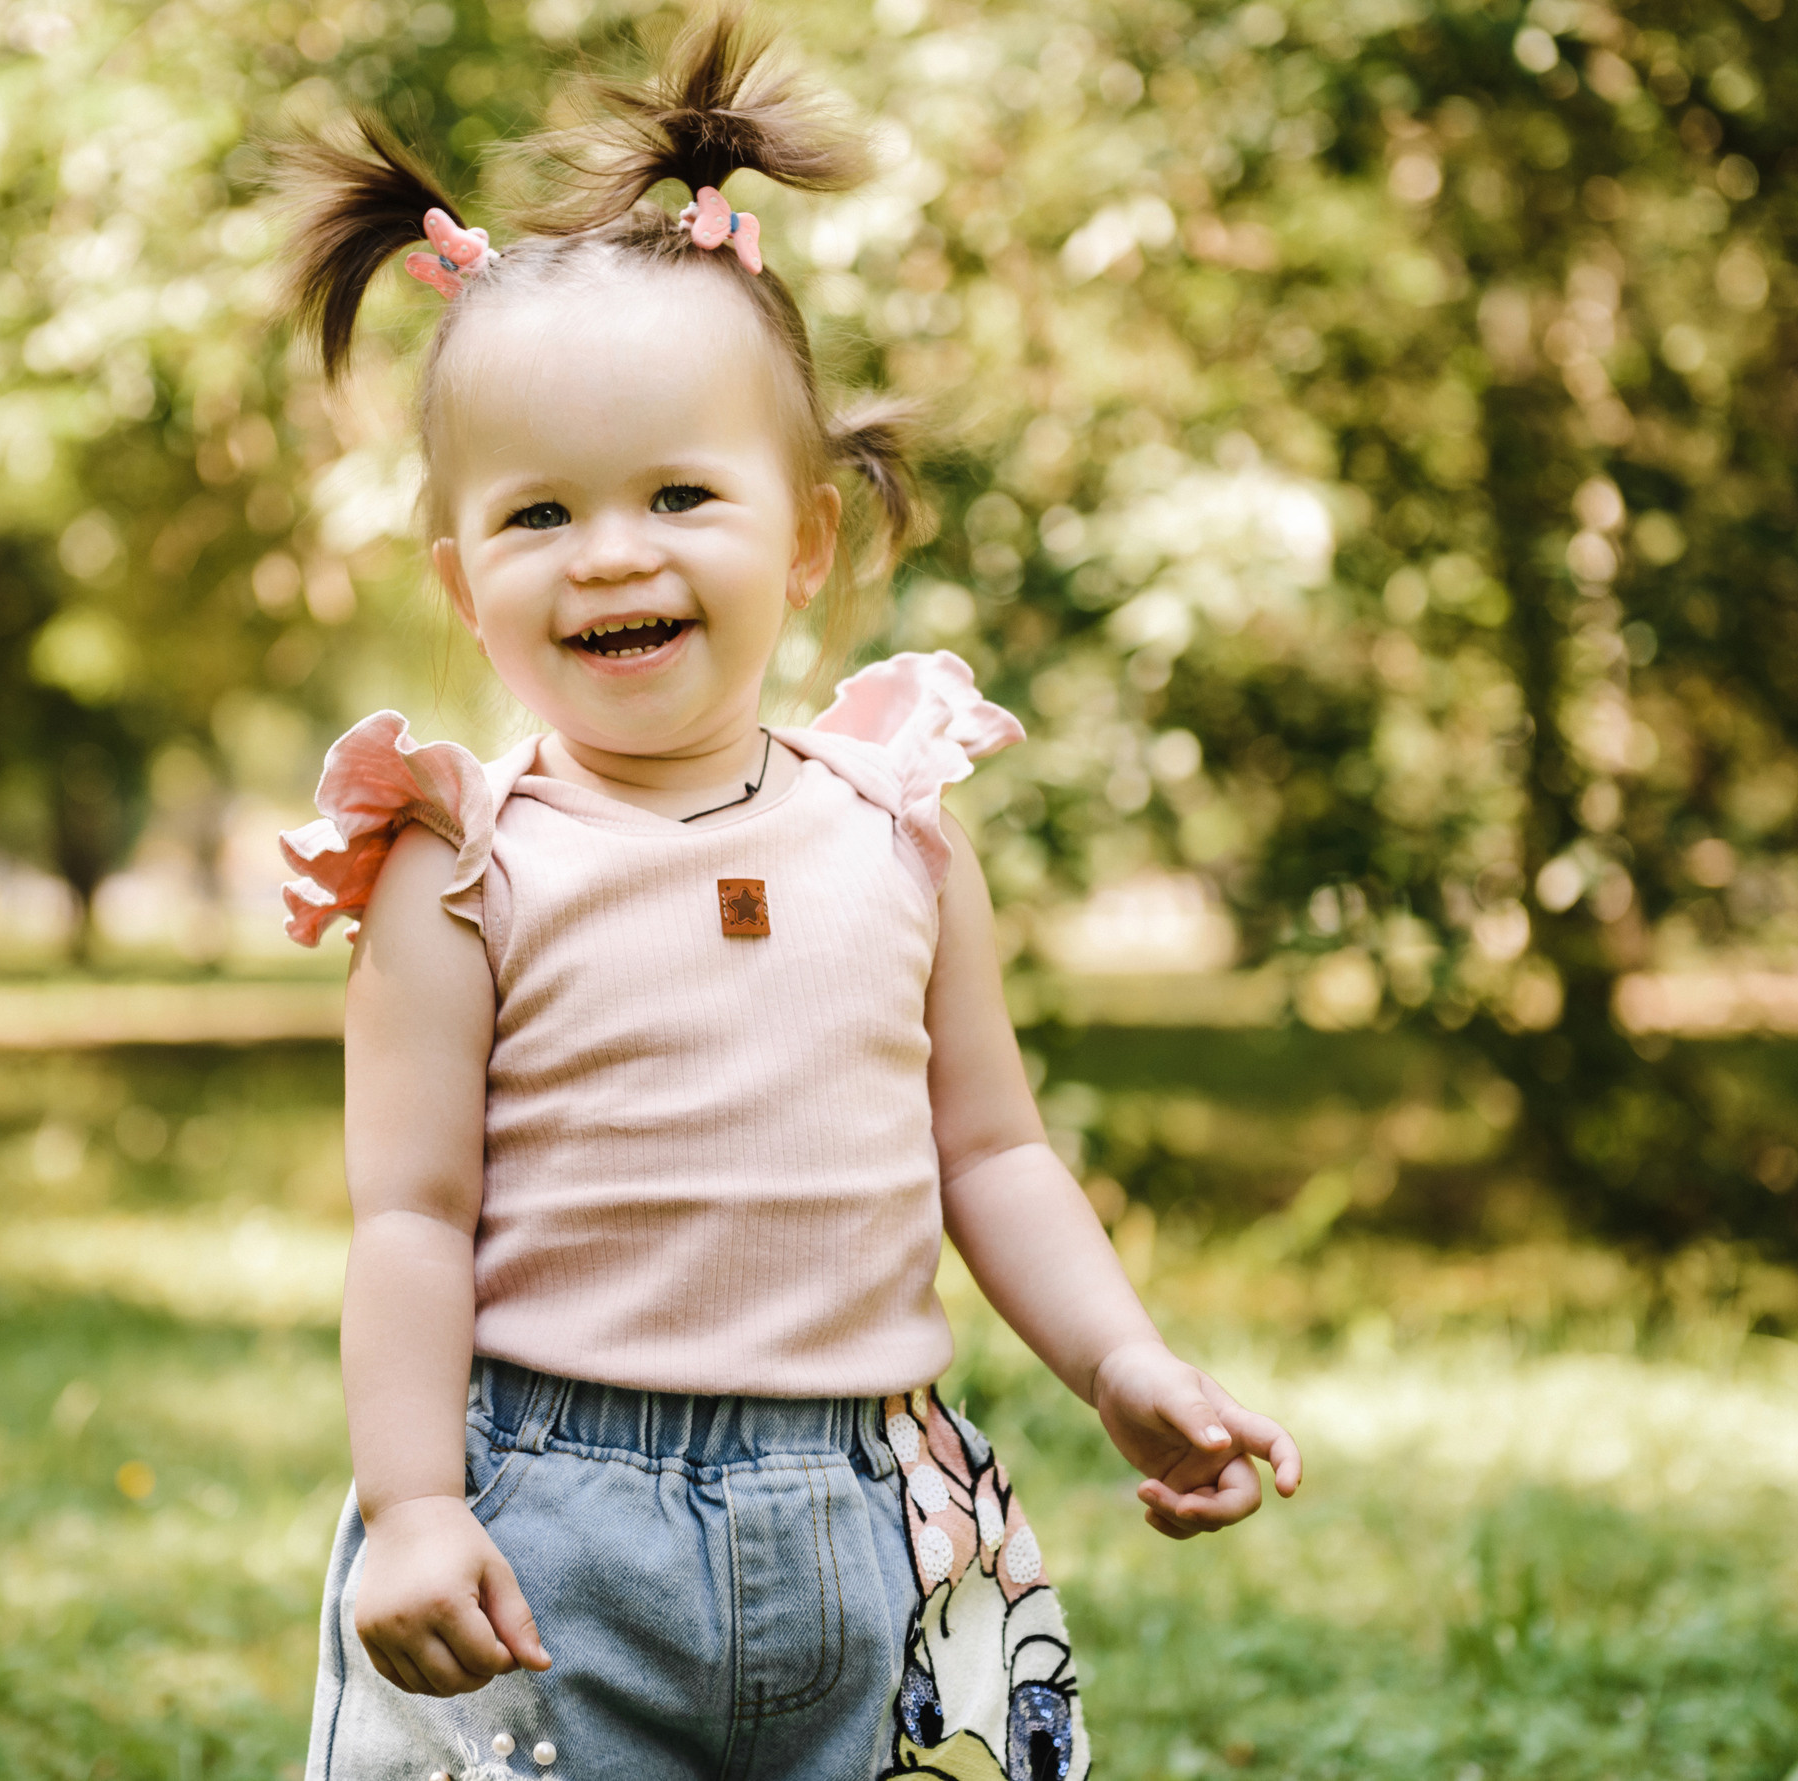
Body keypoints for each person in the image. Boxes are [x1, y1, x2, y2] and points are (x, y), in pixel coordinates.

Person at [274, 13, 1299, 1779]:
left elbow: (991, 1154)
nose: (611, 550)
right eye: (539, 515)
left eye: (682, 492)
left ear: (807, 538)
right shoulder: (461, 859)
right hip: (549, 1524)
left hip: (881, 1514)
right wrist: (415, 1503)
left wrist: (1118, 1357)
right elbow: (411, 1220)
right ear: (463, 578)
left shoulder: (895, 826)